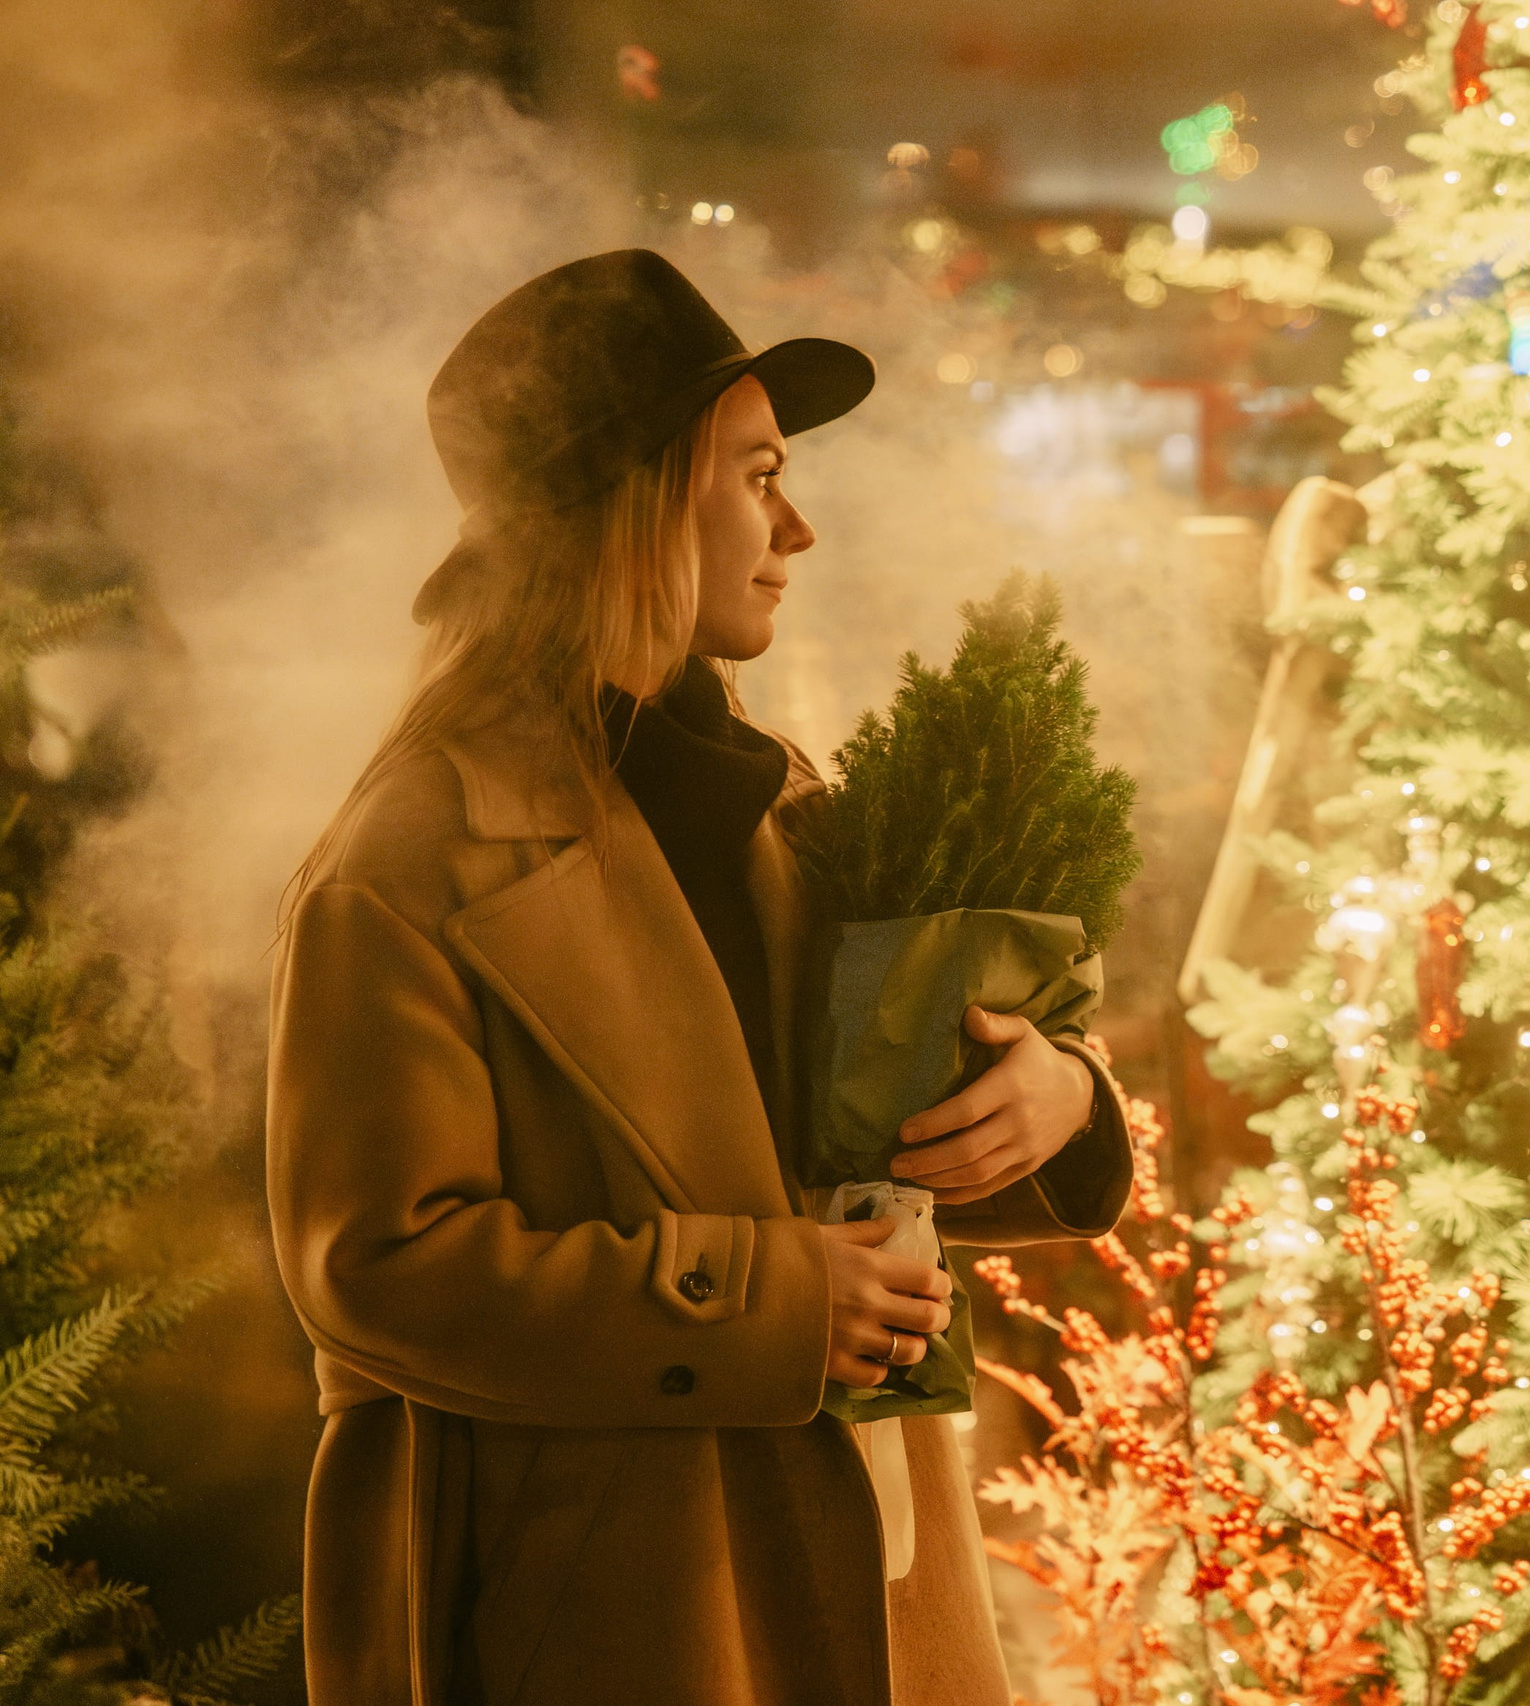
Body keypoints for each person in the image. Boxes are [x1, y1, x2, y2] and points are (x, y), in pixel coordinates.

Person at [266, 249, 1133, 1705]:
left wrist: (1054, 1098)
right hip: (605, 1593)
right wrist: (768, 1306)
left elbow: (855, 1145)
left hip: (863, 1549)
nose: (797, 525)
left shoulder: (780, 793)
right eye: (755, 473)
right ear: (636, 496)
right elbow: (374, 1268)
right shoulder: (406, 857)